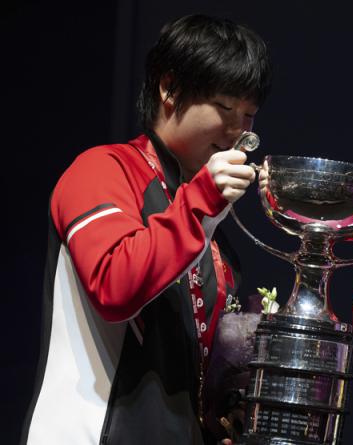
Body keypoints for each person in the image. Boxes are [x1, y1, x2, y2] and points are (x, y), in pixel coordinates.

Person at [21, 14, 271, 445]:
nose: (238, 132)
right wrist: (202, 202)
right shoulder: (102, 169)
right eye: (225, 108)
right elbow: (114, 285)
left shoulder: (212, 229)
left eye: (249, 115)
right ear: (169, 89)